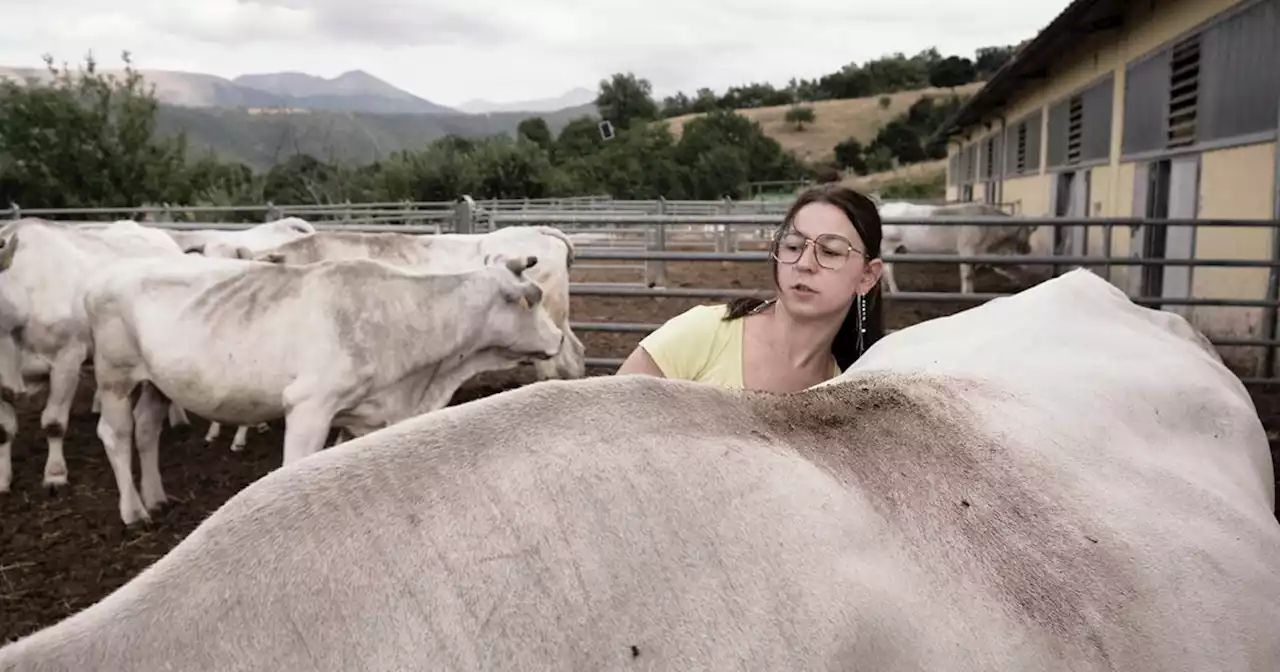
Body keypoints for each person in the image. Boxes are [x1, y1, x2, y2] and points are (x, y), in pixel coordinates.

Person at [615, 183, 886, 393]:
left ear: (867, 277)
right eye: (792, 246)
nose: (804, 264)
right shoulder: (702, 335)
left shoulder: (846, 396)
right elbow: (603, 425)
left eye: (829, 252)